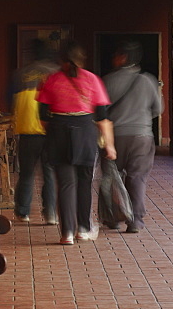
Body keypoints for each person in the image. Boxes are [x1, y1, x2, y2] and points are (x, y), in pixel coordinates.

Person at [36, 41, 116, 245]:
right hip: (86, 132)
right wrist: (109, 145)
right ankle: (83, 229)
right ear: (82, 60)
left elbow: (43, 115)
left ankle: (67, 234)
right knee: (84, 183)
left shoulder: (51, 80)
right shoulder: (93, 80)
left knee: (65, 184)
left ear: (61, 60)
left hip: (58, 131)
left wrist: (54, 131)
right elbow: (102, 116)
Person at [102, 40, 164, 233]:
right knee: (137, 178)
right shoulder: (148, 80)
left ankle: (113, 218)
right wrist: (141, 119)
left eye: (116, 55)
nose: (113, 58)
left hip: (115, 137)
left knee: (112, 177)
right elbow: (158, 109)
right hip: (142, 136)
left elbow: (100, 111)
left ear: (123, 57)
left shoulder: (107, 80)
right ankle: (135, 221)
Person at [11, 39, 59, 225]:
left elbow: (12, 100)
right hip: (49, 130)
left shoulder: (19, 74)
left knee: (27, 173)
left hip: (27, 129)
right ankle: (51, 214)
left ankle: (23, 212)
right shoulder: (56, 73)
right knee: (49, 172)